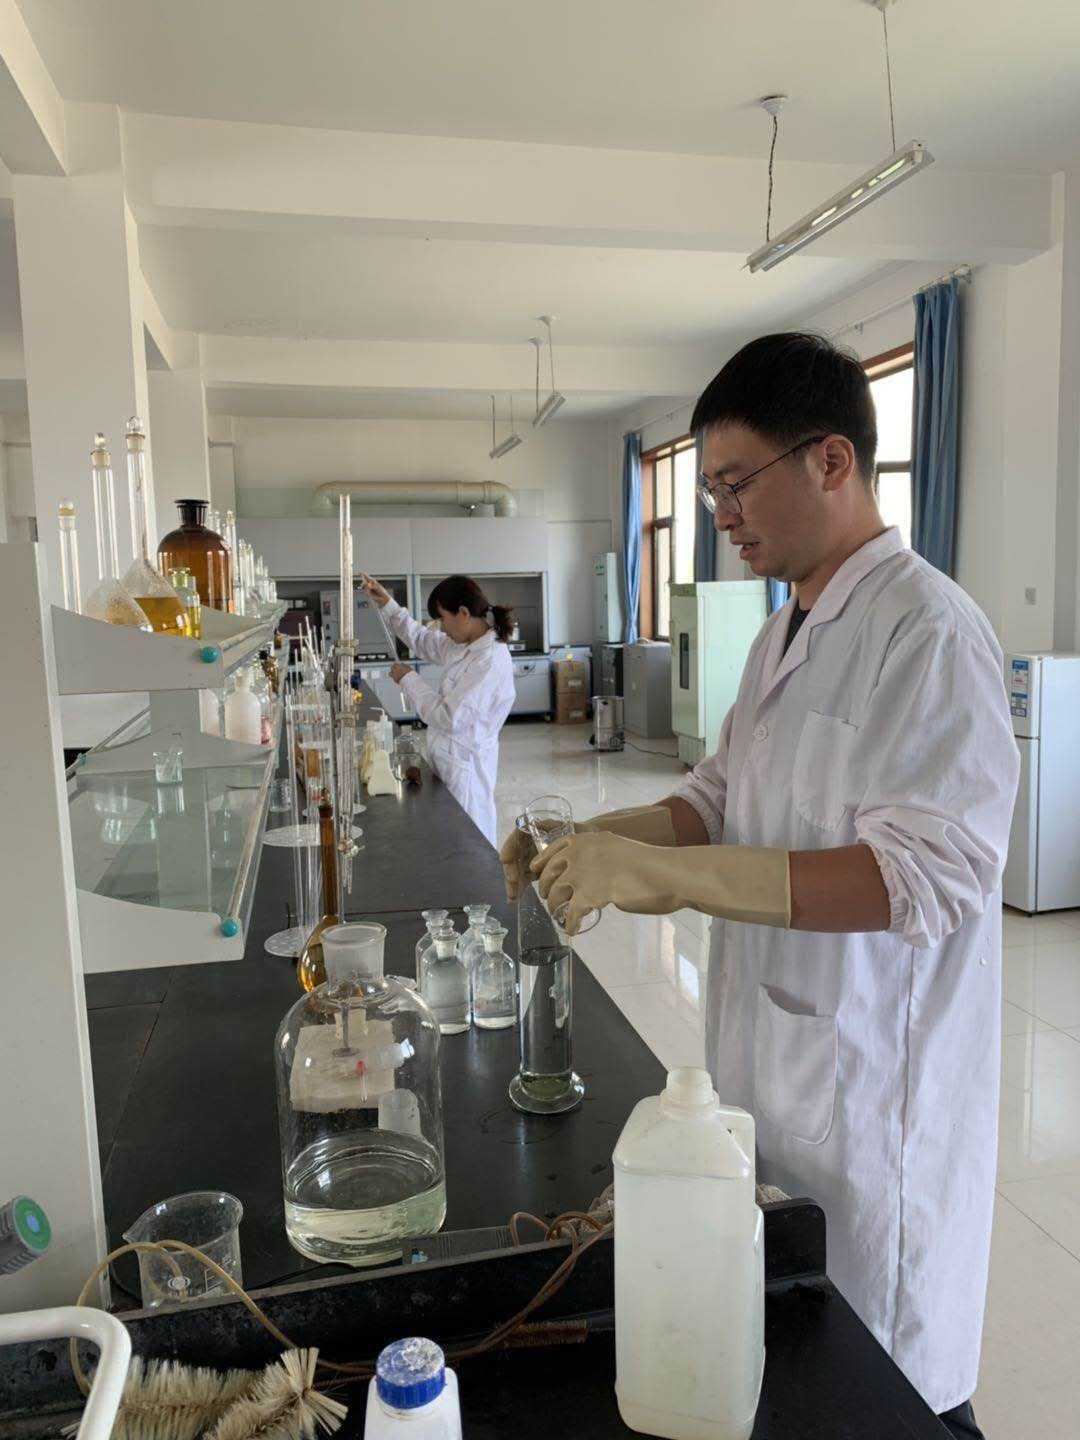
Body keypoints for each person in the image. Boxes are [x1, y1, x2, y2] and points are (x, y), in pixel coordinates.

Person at [501, 334, 1019, 1439]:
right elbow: (716, 797)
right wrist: (584, 838)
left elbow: (918, 880)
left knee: (889, 1383)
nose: (723, 515)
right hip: (771, 1075)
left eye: (736, 484)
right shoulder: (784, 629)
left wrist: (664, 872)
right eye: (710, 491)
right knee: (793, 1353)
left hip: (873, 1094)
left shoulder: (929, 632)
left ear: (832, 460)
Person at [361, 573, 515, 846]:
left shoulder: (488, 662)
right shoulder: (464, 643)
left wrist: (408, 679)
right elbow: (422, 640)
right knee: (447, 840)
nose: (442, 628)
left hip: (464, 770)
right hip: (447, 760)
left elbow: (449, 717)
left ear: (464, 613)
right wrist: (388, 604)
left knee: (467, 843)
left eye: (443, 619)